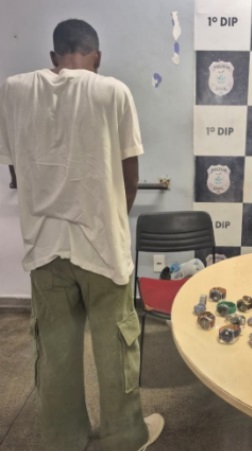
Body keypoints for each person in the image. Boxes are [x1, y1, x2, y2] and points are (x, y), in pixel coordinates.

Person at [0, 19, 163, 451]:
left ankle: (64, 440)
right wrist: (109, 221)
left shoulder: (13, 91)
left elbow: (16, 173)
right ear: (98, 57)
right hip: (103, 249)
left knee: (55, 354)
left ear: (53, 56)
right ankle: (125, 437)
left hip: (44, 250)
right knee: (116, 349)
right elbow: (130, 179)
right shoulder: (113, 92)